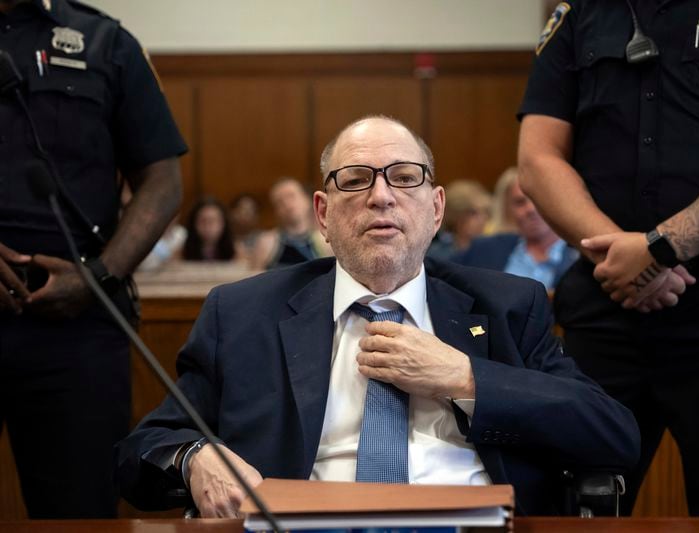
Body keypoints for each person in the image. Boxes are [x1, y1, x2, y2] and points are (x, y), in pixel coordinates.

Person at [115, 115, 639, 518]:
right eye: (357, 179)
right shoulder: (243, 314)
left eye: (404, 178)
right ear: (323, 213)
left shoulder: (508, 306)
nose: (381, 196)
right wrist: (196, 457)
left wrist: (467, 378)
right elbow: (142, 452)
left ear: (436, 210)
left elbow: (613, 433)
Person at [517, 0, 699, 516]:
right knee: (576, 511)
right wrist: (621, 256)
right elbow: (537, 161)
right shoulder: (578, 14)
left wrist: (658, 249)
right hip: (606, 307)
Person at [0, 0, 186, 519]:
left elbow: (163, 179)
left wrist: (99, 276)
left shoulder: (104, 42)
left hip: (75, 327)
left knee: (79, 513)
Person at [455, 168, 578, 290]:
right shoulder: (485, 250)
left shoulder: (581, 256)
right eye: (520, 202)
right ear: (508, 210)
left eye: (537, 199)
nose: (530, 209)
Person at [251, 177, 332, 269]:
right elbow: (253, 279)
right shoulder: (266, 243)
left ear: (308, 200)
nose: (287, 204)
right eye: (279, 201)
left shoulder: (326, 240)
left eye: (291, 196)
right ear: (276, 211)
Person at [426, 180, 491, 260]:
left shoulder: (490, 251)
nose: (482, 219)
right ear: (457, 216)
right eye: (473, 213)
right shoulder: (437, 254)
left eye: (485, 212)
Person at [180, 197, 242, 262]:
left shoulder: (237, 251)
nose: (208, 226)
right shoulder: (181, 252)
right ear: (193, 223)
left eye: (213, 221)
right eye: (203, 221)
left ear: (224, 223)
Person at [229, 193, 269, 267]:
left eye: (252, 211)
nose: (247, 214)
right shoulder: (224, 238)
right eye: (243, 210)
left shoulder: (264, 239)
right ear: (232, 213)